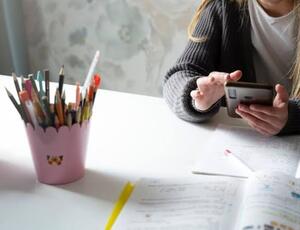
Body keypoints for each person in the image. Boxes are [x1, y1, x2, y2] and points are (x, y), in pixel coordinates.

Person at [163, 0, 300, 136]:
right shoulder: (223, 7)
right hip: (243, 141)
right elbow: (177, 77)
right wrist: (197, 97)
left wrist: (292, 116)